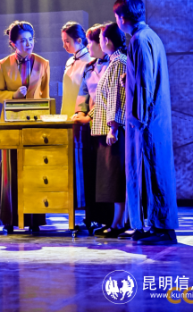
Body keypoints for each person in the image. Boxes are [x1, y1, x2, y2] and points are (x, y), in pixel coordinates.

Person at [114, 0, 178, 245]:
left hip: (147, 121)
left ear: (121, 18)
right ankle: (150, 224)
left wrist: (138, 118)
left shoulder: (140, 40)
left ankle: (162, 228)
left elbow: (144, 84)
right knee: (149, 170)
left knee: (153, 170)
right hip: (152, 118)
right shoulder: (149, 36)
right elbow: (142, 76)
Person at [0, 21, 50, 233]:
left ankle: (34, 219)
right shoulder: (3, 64)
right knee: (10, 170)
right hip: (10, 123)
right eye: (23, 41)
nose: (28, 44)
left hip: (35, 124)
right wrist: (14, 95)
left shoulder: (43, 63)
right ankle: (9, 220)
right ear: (13, 44)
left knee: (34, 169)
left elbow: (45, 96)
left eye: (31, 40)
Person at [71, 24, 111, 231]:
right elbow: (83, 94)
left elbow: (109, 97)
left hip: (108, 124)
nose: (88, 46)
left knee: (107, 172)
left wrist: (90, 116)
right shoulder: (89, 67)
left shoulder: (114, 64)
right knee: (90, 171)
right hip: (90, 126)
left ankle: (111, 218)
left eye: (91, 42)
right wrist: (80, 112)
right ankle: (92, 216)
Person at [90, 22, 127, 238]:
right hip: (107, 128)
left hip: (114, 131)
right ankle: (117, 221)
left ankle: (118, 223)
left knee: (116, 178)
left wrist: (113, 127)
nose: (99, 42)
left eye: (100, 38)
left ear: (107, 41)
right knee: (113, 177)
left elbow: (116, 98)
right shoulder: (113, 61)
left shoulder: (118, 62)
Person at [60, 22, 91, 117]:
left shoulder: (89, 61)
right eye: (63, 41)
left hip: (82, 115)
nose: (64, 45)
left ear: (79, 40)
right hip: (67, 113)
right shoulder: (69, 61)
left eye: (67, 41)